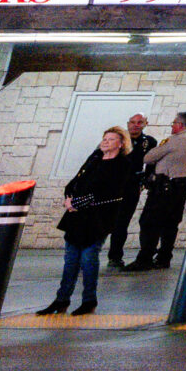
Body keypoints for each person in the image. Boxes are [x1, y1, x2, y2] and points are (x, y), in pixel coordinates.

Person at [36, 126, 140, 315]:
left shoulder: (122, 164)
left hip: (98, 217)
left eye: (110, 139)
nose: (105, 141)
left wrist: (79, 202)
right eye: (104, 138)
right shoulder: (94, 159)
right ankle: (61, 299)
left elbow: (109, 192)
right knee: (70, 260)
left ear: (121, 143)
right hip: (77, 215)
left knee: (88, 259)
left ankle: (89, 300)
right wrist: (69, 199)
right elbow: (76, 181)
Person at [132, 110, 186, 271]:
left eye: (174, 123)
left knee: (149, 222)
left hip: (164, 188)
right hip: (181, 188)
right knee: (170, 224)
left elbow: (148, 158)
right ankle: (164, 258)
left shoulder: (175, 140)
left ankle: (145, 258)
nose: (172, 125)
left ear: (181, 125)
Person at [102, 112, 156, 270]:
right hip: (111, 186)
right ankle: (87, 254)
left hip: (131, 187)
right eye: (132, 122)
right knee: (102, 221)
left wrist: (145, 180)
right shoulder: (117, 140)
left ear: (145, 124)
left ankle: (115, 257)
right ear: (127, 124)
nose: (135, 125)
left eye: (139, 122)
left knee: (121, 223)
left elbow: (151, 162)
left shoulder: (149, 142)